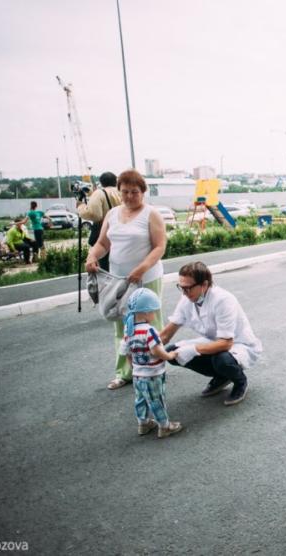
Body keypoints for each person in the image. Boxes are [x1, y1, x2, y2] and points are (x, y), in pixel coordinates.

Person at [85, 169, 166, 390]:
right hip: (119, 280)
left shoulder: (151, 214)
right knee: (122, 327)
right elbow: (103, 244)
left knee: (149, 324)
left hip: (146, 278)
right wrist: (92, 256)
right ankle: (125, 373)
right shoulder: (112, 215)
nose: (129, 196)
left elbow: (160, 247)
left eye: (134, 192)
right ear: (119, 191)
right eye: (125, 191)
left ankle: (153, 367)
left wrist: (142, 268)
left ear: (143, 192)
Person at [160, 262, 262, 406]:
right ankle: (221, 376)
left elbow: (226, 343)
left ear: (204, 284)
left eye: (188, 288)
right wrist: (146, 348)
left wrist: (193, 349)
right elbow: (166, 334)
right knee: (172, 352)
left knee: (221, 360)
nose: (184, 293)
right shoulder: (187, 298)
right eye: (181, 288)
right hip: (212, 341)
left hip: (238, 345)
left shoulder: (223, 300)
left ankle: (240, 381)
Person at [120, 288, 183, 438]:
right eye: (154, 311)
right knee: (156, 400)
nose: (155, 314)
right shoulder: (149, 331)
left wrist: (134, 367)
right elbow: (156, 351)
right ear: (146, 312)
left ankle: (143, 423)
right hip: (153, 374)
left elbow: (126, 353)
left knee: (140, 399)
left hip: (137, 375)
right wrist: (169, 355)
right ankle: (164, 426)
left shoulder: (128, 330)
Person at [77, 171, 121, 271]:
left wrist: (81, 207)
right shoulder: (122, 192)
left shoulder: (100, 193)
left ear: (101, 182)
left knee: (106, 266)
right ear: (115, 181)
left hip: (105, 232)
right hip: (121, 231)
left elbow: (95, 215)